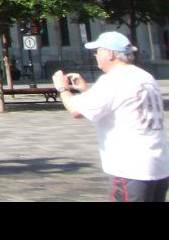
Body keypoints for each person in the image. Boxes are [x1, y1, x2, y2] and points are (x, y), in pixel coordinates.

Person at [53, 30, 169, 202]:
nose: (95, 56)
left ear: (110, 54)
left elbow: (76, 110)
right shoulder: (145, 76)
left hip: (131, 168)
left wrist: (62, 88)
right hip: (158, 165)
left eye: (97, 51)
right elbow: (118, 104)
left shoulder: (114, 80)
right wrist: (86, 91)